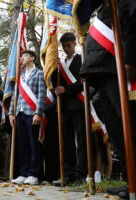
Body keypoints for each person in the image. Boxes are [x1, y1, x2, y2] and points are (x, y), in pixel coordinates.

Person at [80, 2, 136, 199]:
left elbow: (135, 19)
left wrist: (131, 57)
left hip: (117, 62)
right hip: (101, 68)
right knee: (118, 131)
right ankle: (131, 179)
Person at [52, 32, 87, 186]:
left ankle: (82, 174)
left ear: (74, 44)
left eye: (69, 45)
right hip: (64, 106)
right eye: (64, 46)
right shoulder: (60, 64)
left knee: (81, 140)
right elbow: (55, 83)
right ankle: (68, 173)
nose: (66, 48)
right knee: (66, 141)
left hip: (79, 104)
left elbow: (82, 83)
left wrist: (65, 90)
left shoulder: (81, 59)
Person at [9, 50, 46, 185]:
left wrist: (38, 113)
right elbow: (15, 95)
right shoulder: (21, 76)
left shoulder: (39, 73)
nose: (22, 58)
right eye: (21, 56)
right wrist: (11, 113)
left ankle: (33, 174)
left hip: (32, 113)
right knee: (23, 145)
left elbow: (42, 94)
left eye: (25, 56)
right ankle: (23, 173)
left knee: (33, 145)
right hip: (20, 114)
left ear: (32, 58)